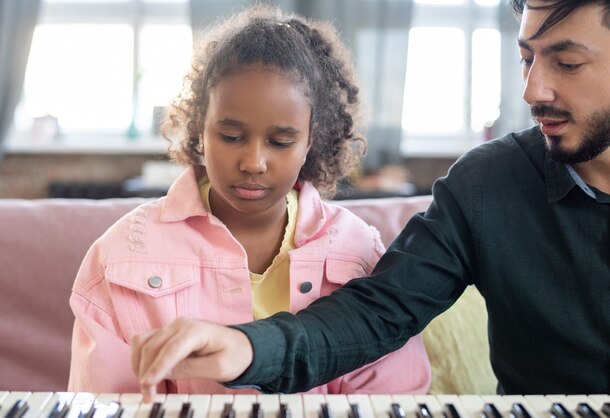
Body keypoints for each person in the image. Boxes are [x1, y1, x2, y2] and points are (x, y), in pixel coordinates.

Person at [130, 0, 610, 399]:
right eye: (527, 58)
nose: (533, 90)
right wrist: (248, 348)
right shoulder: (490, 183)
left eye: (566, 63)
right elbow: (374, 314)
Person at [68, 5, 431, 395]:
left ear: (312, 141)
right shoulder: (121, 254)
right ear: (200, 130)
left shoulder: (356, 249)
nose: (253, 162)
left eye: (280, 142)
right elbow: (104, 402)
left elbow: (392, 397)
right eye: (231, 136)